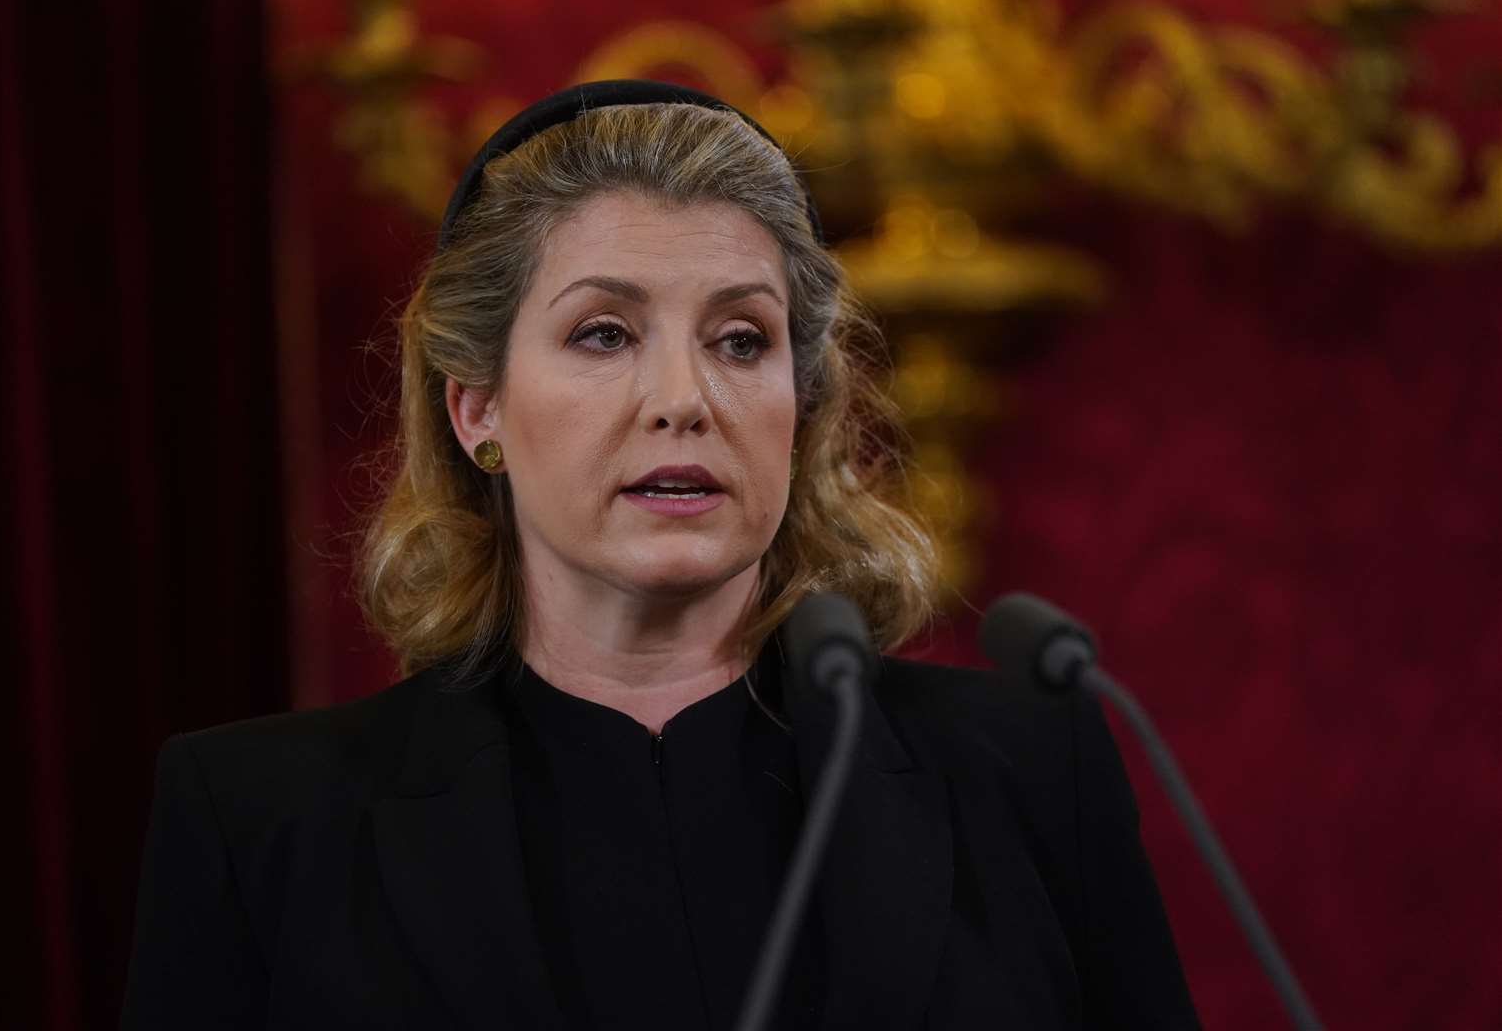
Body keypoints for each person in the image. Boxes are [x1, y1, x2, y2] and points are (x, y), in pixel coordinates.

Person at [121, 80, 1200, 1030]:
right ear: (478, 407)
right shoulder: (260, 820)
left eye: (742, 340)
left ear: (802, 402)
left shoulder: (1025, 772)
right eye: (605, 334)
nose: (685, 401)